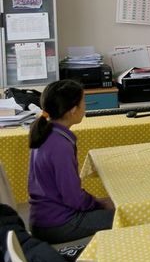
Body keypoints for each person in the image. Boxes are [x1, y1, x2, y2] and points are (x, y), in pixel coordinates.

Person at [28, 80, 114, 244]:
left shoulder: (47, 133)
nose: (85, 107)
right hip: (58, 224)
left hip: (43, 218)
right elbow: (73, 198)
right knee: (126, 216)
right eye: (83, 102)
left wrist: (98, 202)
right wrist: (100, 204)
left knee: (110, 205)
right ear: (73, 110)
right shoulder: (60, 145)